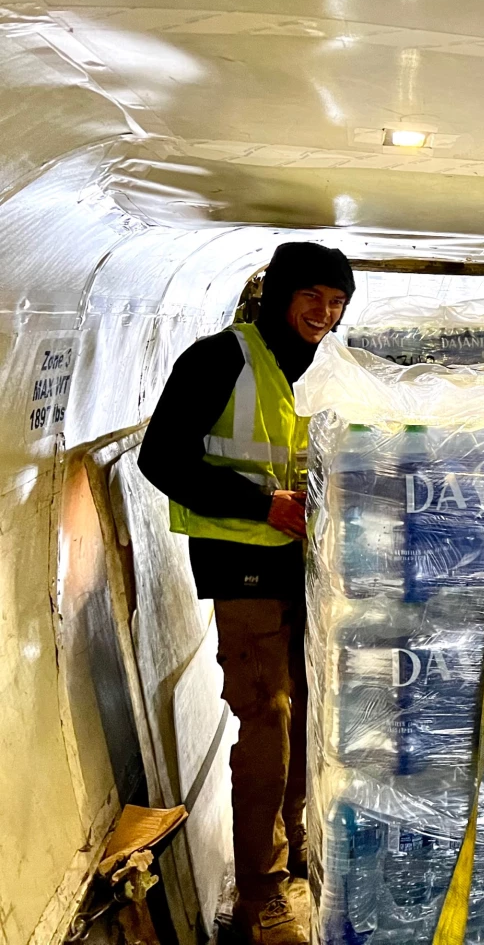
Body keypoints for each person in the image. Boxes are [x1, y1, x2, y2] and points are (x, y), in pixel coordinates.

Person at [139, 242, 354, 945]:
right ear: (280, 296)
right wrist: (264, 506)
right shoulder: (220, 358)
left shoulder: (306, 368)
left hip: (300, 569)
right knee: (267, 719)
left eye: (337, 302)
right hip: (244, 568)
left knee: (307, 718)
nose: (324, 313)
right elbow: (161, 457)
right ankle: (261, 892)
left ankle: (296, 864)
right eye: (313, 297)